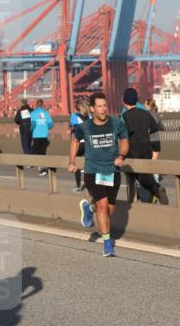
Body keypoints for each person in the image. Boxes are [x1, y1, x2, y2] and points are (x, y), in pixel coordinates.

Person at [69, 93, 128, 257]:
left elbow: (124, 140)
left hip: (112, 170)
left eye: (105, 105)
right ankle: (108, 245)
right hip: (92, 171)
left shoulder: (116, 122)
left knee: (108, 209)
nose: (104, 109)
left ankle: (88, 208)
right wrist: (72, 161)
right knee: (102, 206)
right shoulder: (85, 127)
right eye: (100, 106)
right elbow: (74, 141)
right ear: (93, 109)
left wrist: (121, 156)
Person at [121, 88, 168, 204]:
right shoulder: (146, 113)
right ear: (136, 100)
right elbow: (154, 127)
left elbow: (125, 132)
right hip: (146, 150)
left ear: (124, 101)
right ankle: (156, 189)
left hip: (132, 150)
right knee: (144, 175)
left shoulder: (125, 116)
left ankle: (132, 201)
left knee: (133, 177)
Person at [69, 97, 90, 192]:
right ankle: (89, 184)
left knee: (75, 163)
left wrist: (71, 129)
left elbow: (74, 127)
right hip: (88, 143)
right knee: (88, 163)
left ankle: (78, 185)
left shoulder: (74, 116)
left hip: (79, 143)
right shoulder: (89, 116)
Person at [30, 98, 53, 175]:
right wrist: (46, 127)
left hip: (36, 135)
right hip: (44, 135)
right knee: (43, 152)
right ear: (42, 104)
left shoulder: (33, 113)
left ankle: (41, 168)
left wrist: (31, 130)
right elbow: (51, 124)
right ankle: (42, 167)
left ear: (36, 104)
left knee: (37, 152)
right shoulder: (46, 113)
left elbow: (33, 123)